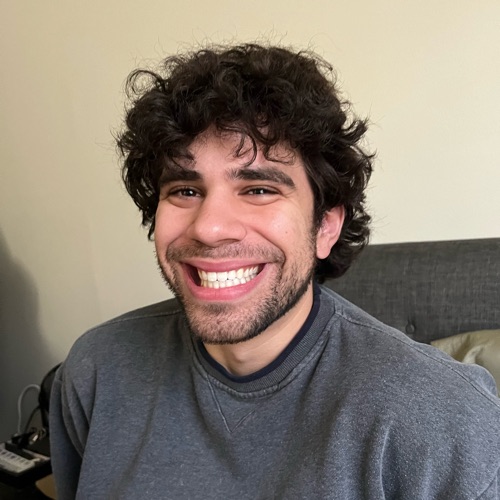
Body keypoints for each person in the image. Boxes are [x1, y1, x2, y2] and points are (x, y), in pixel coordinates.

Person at [50, 44, 500, 499]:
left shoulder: (448, 421)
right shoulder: (95, 371)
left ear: (325, 226)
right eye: (185, 190)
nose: (209, 228)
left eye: (259, 189)